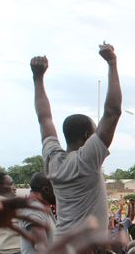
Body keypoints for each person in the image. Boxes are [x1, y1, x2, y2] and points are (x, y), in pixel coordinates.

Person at [30, 43, 122, 237]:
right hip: (86, 252)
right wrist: (112, 63)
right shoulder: (86, 160)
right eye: (96, 131)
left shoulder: (53, 159)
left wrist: (37, 78)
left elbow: (44, 118)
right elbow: (112, 112)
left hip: (62, 245)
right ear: (88, 136)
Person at [20, 172, 56, 254]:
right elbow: (41, 247)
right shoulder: (34, 210)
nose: (61, 193)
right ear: (46, 189)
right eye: (58, 189)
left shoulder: (41, 207)